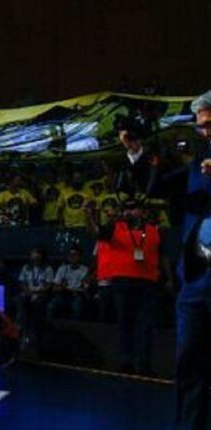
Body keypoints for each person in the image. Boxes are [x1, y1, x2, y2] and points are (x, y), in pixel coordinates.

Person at [165, 91, 211, 428]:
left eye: (209, 125)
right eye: (201, 128)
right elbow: (156, 188)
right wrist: (136, 152)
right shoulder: (198, 164)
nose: (205, 133)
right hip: (195, 283)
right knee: (188, 363)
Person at [88, 196, 167, 375]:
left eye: (133, 208)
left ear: (142, 211)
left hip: (148, 281)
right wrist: (90, 214)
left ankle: (144, 363)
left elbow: (163, 255)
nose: (128, 212)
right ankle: (125, 361)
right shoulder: (115, 227)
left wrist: (167, 277)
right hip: (123, 281)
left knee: (145, 325)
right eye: (126, 209)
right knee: (125, 322)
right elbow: (95, 232)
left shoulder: (154, 230)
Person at [48, 246, 90, 319]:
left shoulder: (85, 270)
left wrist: (72, 290)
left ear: (80, 257)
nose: (72, 257)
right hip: (63, 295)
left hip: (76, 296)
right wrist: (61, 287)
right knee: (52, 305)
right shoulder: (63, 268)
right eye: (70, 255)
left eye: (75, 254)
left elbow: (86, 289)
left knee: (77, 307)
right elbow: (54, 287)